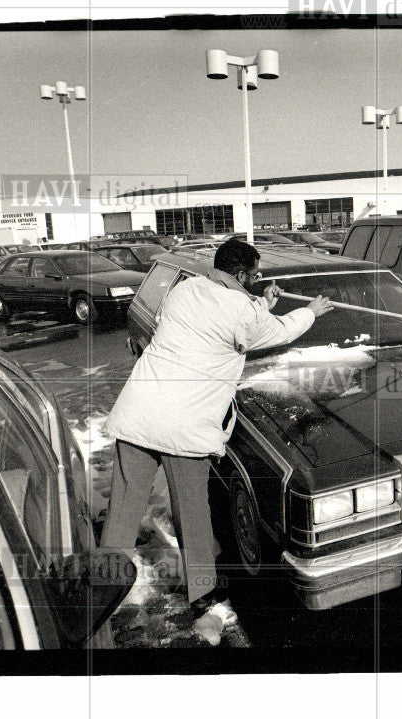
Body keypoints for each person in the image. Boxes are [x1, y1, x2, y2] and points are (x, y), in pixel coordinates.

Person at [101, 239, 333, 606]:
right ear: (241, 274)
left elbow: (223, 315)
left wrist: (259, 302)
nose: (257, 280)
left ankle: (101, 588)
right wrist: (311, 311)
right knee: (192, 511)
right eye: (255, 275)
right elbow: (278, 332)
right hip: (185, 426)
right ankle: (203, 593)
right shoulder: (245, 312)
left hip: (138, 413)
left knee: (124, 506)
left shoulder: (184, 289)